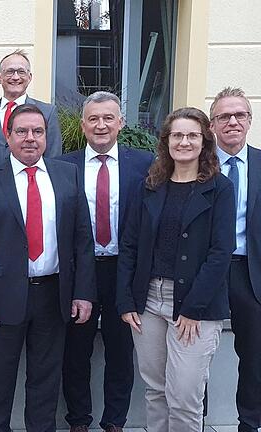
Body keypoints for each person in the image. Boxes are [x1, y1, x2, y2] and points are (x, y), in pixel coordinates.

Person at [0, 104, 96, 432]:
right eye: (21, 131)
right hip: (2, 298)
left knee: (45, 381)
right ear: (6, 136)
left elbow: (83, 240)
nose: (30, 138)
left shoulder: (67, 175)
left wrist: (82, 292)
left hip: (54, 294)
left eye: (37, 132)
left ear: (46, 136)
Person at [117, 107, 235, 432]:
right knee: (156, 391)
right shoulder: (150, 186)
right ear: (167, 141)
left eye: (192, 135)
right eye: (177, 135)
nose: (184, 142)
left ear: (204, 141)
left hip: (195, 304)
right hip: (149, 301)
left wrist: (193, 308)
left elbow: (221, 252)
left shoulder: (220, 188)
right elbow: (130, 245)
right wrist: (126, 301)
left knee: (184, 396)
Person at [58, 91, 154, 432]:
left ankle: (114, 422)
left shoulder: (144, 164)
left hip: (123, 271)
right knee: (76, 351)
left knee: (120, 350)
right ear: (83, 125)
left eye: (108, 118)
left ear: (120, 123)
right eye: (94, 119)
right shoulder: (62, 166)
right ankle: (78, 421)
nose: (101, 125)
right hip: (79, 271)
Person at [209, 87, 261, 432]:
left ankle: (249, 423)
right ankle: (192, 422)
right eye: (224, 116)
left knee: (255, 357)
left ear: (249, 120)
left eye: (239, 115)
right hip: (204, 273)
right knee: (195, 358)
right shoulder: (196, 162)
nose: (232, 121)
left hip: (249, 272)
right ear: (212, 125)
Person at [0, 49, 62, 162]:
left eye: (21, 72)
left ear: (29, 78)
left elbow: (54, 157)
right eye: (10, 71)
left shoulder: (47, 112)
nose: (15, 77)